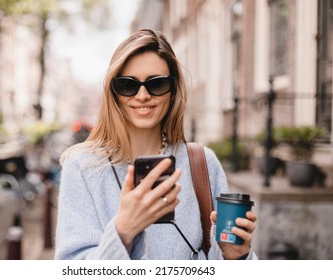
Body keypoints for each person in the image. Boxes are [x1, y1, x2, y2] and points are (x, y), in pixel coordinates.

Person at [55, 28, 258, 260]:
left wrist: (238, 257)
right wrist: (124, 230)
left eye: (157, 84)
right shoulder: (83, 167)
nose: (142, 95)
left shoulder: (202, 163)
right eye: (127, 85)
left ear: (172, 91)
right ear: (113, 93)